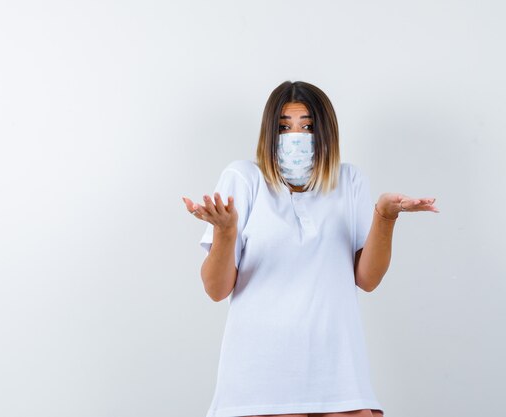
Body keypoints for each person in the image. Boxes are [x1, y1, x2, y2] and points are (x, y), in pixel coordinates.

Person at [181, 81, 439, 417]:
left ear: (326, 133)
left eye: (308, 126)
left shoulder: (349, 182)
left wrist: (385, 217)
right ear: (268, 134)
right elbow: (216, 289)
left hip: (339, 369)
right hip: (260, 373)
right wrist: (226, 231)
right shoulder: (244, 178)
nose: (296, 136)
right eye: (284, 127)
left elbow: (368, 279)